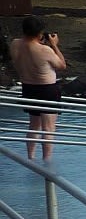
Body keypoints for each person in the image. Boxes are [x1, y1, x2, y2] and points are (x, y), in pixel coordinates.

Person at [8, 15, 67, 160]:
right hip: (47, 89)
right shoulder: (45, 50)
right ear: (39, 33)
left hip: (28, 87)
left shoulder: (15, 44)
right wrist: (54, 45)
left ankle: (31, 158)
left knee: (33, 125)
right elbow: (62, 65)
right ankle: (46, 161)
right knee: (48, 128)